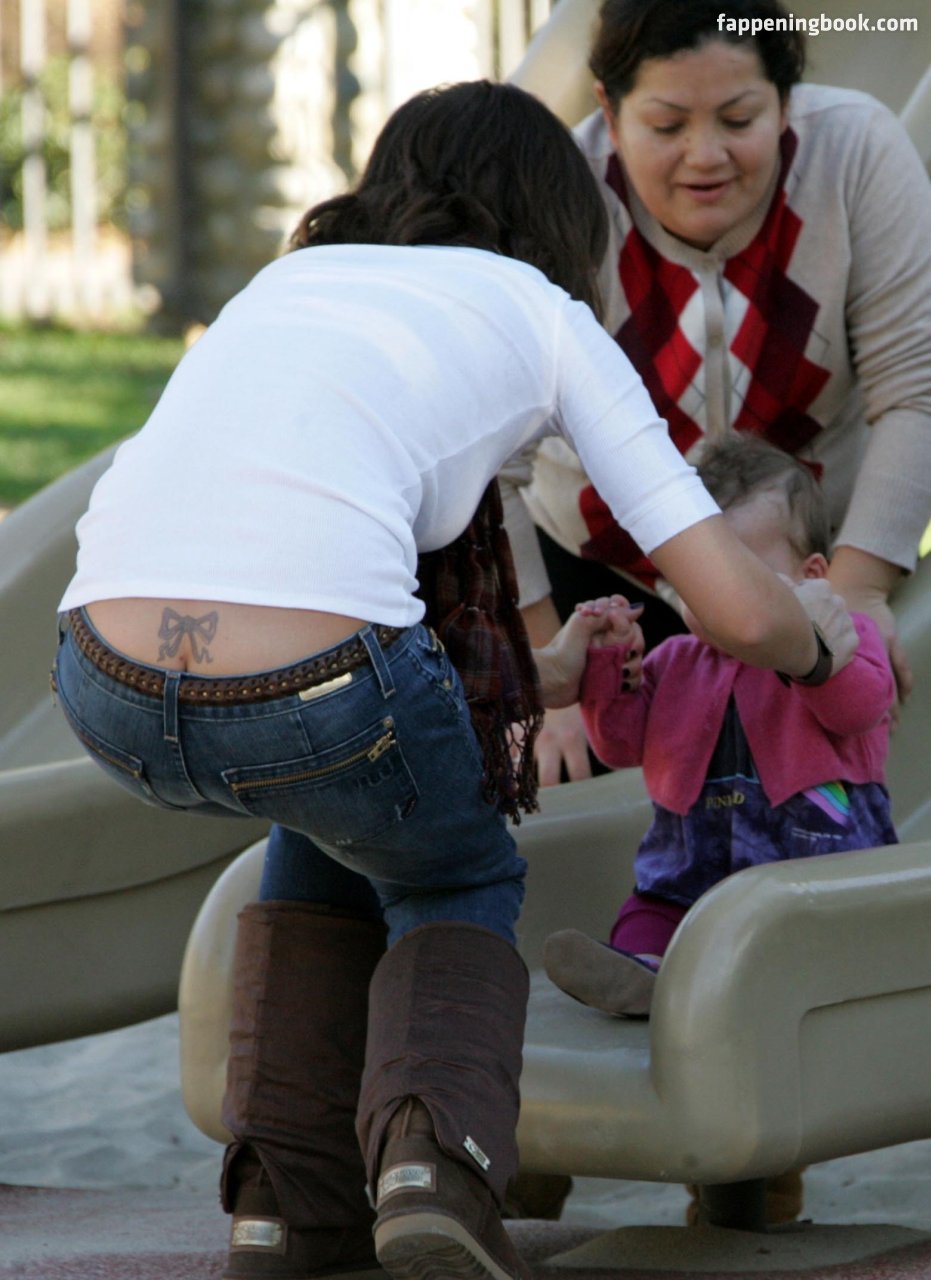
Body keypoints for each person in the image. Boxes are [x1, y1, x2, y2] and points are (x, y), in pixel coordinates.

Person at [52, 82, 856, 1280]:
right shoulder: (540, 312)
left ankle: (282, 1202)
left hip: (102, 680)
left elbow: (314, 564)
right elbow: (734, 607)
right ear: (561, 222)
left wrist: (545, 672)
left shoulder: (287, 283)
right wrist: (823, 645)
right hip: (311, 688)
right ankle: (438, 1170)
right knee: (457, 866)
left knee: (341, 815)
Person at [502, 0, 931, 787]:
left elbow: (916, 388)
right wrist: (540, 658)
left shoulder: (856, 153)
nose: (704, 157)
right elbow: (495, 456)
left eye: (738, 119)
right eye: (666, 125)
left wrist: (856, 591)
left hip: (803, 562)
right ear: (608, 110)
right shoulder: (555, 196)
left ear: (785, 102)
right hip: (596, 574)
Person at [544, 437, 898, 1020]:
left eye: (745, 577)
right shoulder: (674, 660)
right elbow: (619, 745)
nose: (720, 601)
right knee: (649, 914)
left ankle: (811, 980)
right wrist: (611, 665)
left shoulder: (847, 636)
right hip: (689, 873)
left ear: (812, 576)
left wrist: (805, 651)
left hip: (816, 874)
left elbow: (858, 710)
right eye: (701, 580)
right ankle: (643, 974)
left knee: (822, 934)